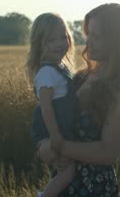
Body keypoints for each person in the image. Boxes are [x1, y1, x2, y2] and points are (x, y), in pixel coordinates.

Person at [37, 3, 120, 196]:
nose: (88, 42)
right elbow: (52, 116)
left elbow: (108, 153)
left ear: (115, 41)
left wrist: (57, 146)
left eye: (96, 37)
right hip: (62, 184)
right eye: (88, 34)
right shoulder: (79, 78)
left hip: (94, 189)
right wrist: (42, 144)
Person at [25, 13, 80, 197]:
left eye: (63, 37)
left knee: (65, 170)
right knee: (68, 171)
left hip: (63, 131)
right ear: (39, 43)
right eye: (51, 40)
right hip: (54, 132)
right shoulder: (47, 73)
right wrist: (55, 137)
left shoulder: (60, 67)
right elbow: (46, 108)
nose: (59, 43)